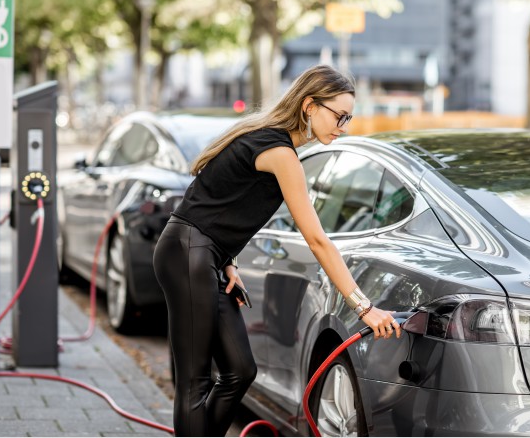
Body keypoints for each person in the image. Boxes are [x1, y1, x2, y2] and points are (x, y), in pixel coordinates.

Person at [153, 64, 403, 437]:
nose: (344, 125)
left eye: (349, 117)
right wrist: (363, 307)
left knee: (240, 371)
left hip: (205, 256)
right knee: (195, 382)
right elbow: (318, 240)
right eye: (340, 115)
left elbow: (222, 198)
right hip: (188, 252)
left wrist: (229, 262)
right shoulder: (278, 151)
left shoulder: (269, 141)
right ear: (309, 106)